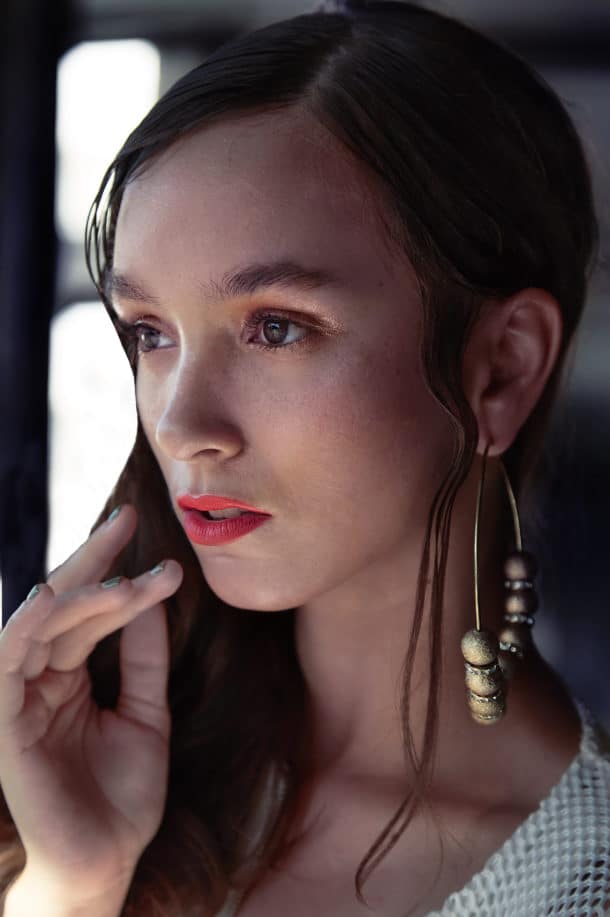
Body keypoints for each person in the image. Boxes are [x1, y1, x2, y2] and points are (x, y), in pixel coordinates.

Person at [0, 1, 608, 915]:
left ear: (501, 370)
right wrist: (71, 884)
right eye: (150, 332)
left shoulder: (583, 878)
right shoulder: (87, 774)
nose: (181, 423)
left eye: (276, 328)